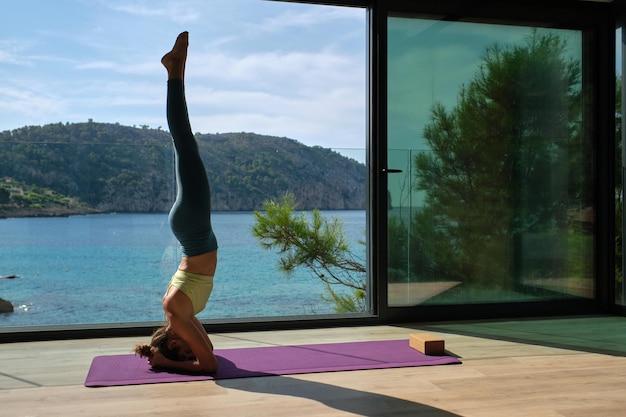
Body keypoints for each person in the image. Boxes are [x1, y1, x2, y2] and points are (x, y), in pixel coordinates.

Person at [134, 31, 219, 374]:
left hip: (194, 229)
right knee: (184, 146)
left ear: (171, 341)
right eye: (186, 356)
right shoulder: (180, 315)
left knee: (185, 142)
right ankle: (175, 70)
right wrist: (177, 359)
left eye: (181, 352)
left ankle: (174, 71)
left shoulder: (175, 312)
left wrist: (168, 364)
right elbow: (210, 350)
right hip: (192, 230)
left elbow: (209, 365)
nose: (189, 353)